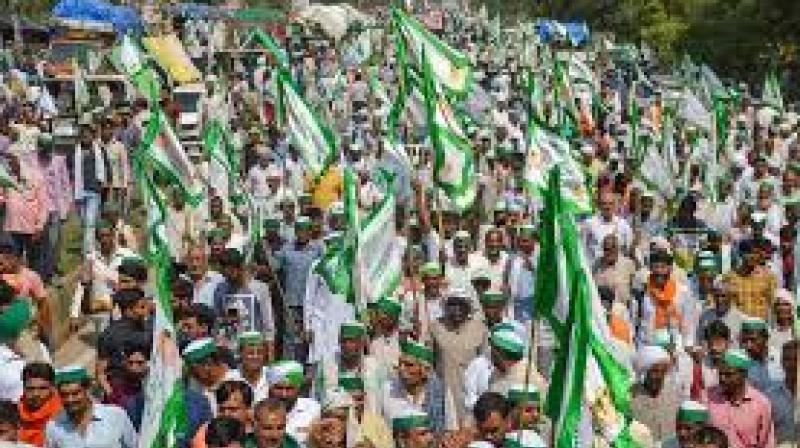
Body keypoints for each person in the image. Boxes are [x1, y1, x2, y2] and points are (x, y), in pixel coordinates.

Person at [429, 289, 486, 427]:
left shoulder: (480, 328)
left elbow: (485, 364)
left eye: (461, 305)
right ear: (446, 307)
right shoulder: (435, 328)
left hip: (472, 393)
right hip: (445, 391)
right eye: (452, 305)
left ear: (468, 307)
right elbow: (430, 362)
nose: (457, 309)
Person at [44, 365, 138, 447]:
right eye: (64, 395)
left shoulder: (115, 415)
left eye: (75, 393)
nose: (70, 399)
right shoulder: (54, 426)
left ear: (87, 390)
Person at [704, 348, 775, 448]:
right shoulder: (707, 397)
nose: (722, 379)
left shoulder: (761, 404)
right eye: (720, 374)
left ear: (744, 374)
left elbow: (766, 443)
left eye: (728, 374)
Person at [213, 248, 275, 354]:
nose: (228, 277)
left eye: (232, 271)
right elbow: (217, 319)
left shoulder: (259, 288)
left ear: (240, 268)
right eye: (225, 273)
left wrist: (270, 353)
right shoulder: (220, 289)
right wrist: (225, 321)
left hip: (253, 348)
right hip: (230, 349)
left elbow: (268, 324)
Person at [380, 339, 445, 433]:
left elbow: (447, 429)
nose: (401, 369)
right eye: (400, 363)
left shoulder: (441, 393)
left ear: (424, 371)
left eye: (409, 365)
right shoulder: (387, 389)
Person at [630, 345, 682, 443]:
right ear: (645, 372)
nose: (659, 376)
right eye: (654, 371)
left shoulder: (674, 392)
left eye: (663, 371)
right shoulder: (631, 396)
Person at [265, 360, 320, 445]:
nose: (284, 395)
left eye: (289, 388)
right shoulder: (259, 409)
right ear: (269, 388)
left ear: (299, 389)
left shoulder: (313, 409)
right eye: (279, 388)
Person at [724, 240, 776, 320]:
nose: (753, 256)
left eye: (756, 253)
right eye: (748, 253)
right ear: (740, 254)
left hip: (760, 326)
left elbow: (773, 303)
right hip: (737, 325)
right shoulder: (729, 277)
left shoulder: (768, 276)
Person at [193, 380, 254, 448]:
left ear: (249, 410)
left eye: (233, 409)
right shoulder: (204, 434)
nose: (226, 414)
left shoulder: (260, 433)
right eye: (221, 409)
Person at [183, 337, 237, 413]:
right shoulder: (204, 391)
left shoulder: (237, 383)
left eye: (194, 372)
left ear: (207, 365)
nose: (194, 377)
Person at [18, 362, 61, 447]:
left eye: (42, 388)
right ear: (23, 387)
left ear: (52, 387)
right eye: (30, 388)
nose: (36, 394)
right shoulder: (12, 415)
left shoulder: (64, 415)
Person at [230, 331, 270, 404]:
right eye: (250, 353)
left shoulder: (272, 376)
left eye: (260, 352)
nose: (255, 357)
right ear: (240, 353)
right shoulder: (230, 378)